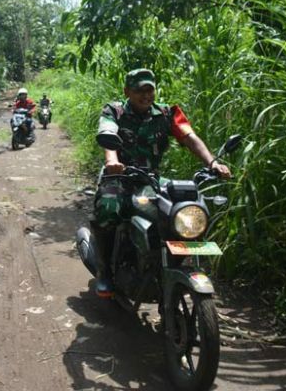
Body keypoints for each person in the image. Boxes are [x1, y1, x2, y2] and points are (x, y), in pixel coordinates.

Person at [92, 68, 231, 298]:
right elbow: (108, 133)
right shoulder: (114, 110)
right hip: (119, 175)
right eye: (139, 90)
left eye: (150, 90)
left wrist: (212, 163)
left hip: (151, 178)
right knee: (108, 210)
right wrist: (112, 161)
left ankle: (166, 265)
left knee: (182, 206)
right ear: (127, 91)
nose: (146, 95)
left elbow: (189, 137)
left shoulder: (168, 113)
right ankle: (104, 271)